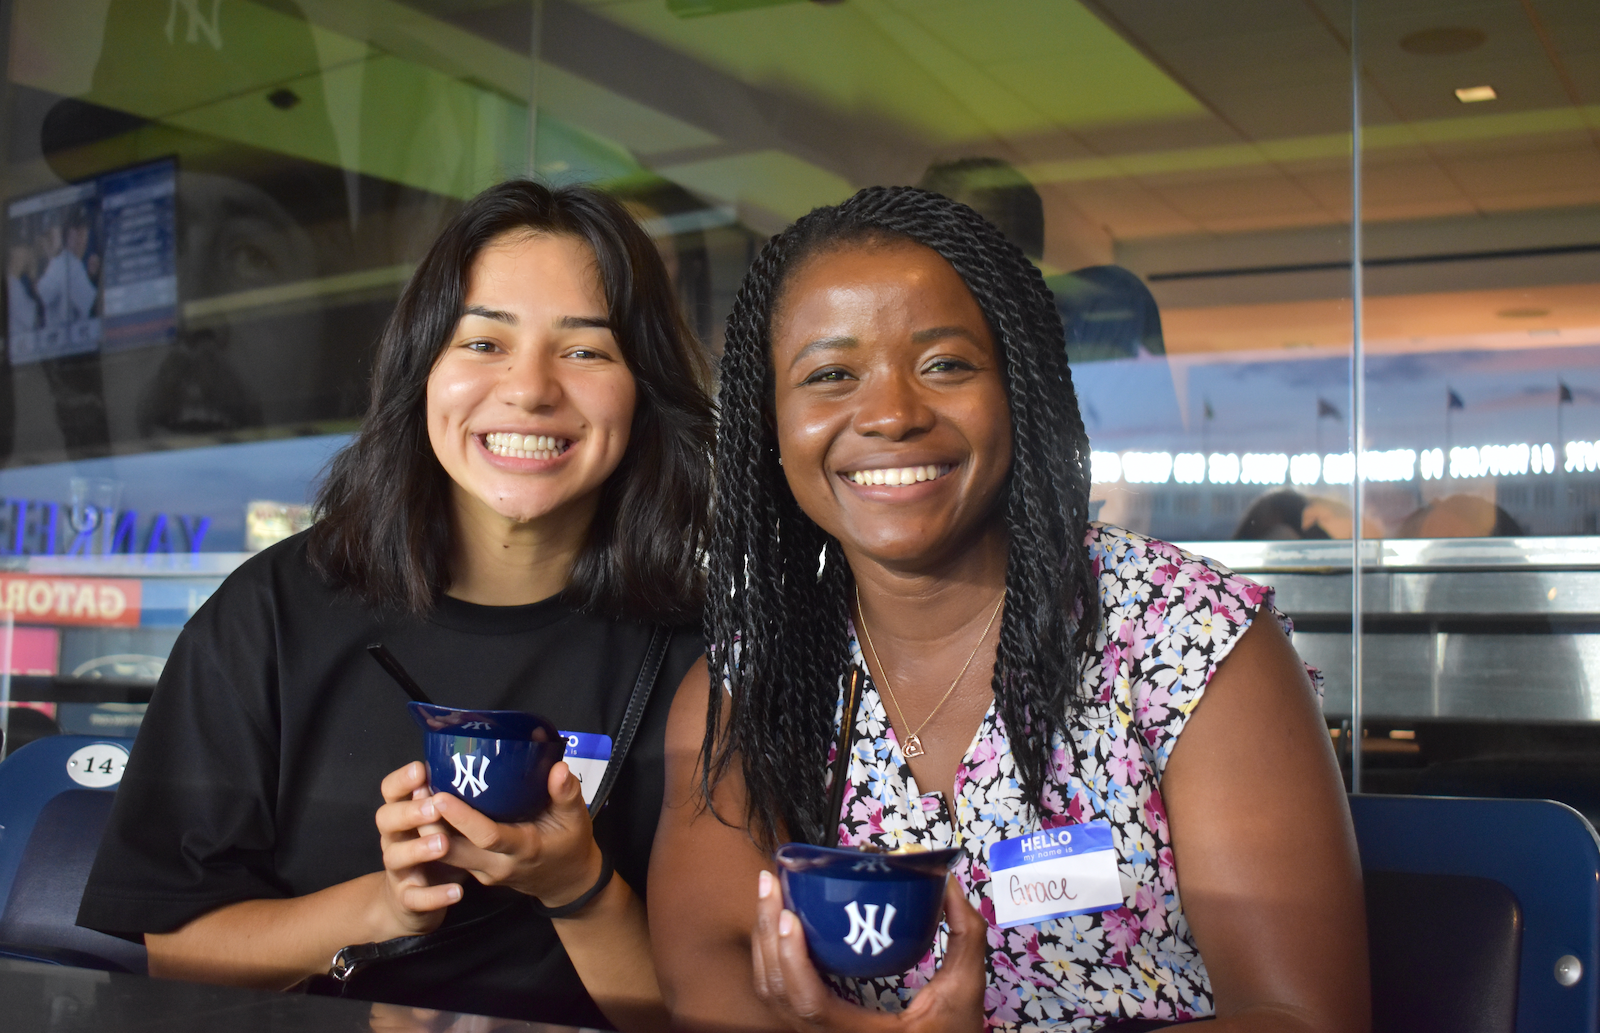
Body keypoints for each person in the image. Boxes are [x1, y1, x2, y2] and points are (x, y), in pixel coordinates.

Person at [650, 186, 1369, 1031]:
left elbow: (1302, 1016)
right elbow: (709, 976)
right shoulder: (751, 676)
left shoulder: (1187, 635)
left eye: (945, 364)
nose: (891, 414)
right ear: (771, 422)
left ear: (1018, 388)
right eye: (831, 375)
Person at [77, 181, 716, 1030]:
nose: (530, 389)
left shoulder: (702, 659)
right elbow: (178, 954)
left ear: (644, 390)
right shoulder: (270, 619)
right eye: (483, 341)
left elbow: (712, 1014)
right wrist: (387, 904)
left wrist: (577, 885)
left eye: (585, 350)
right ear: (422, 371)